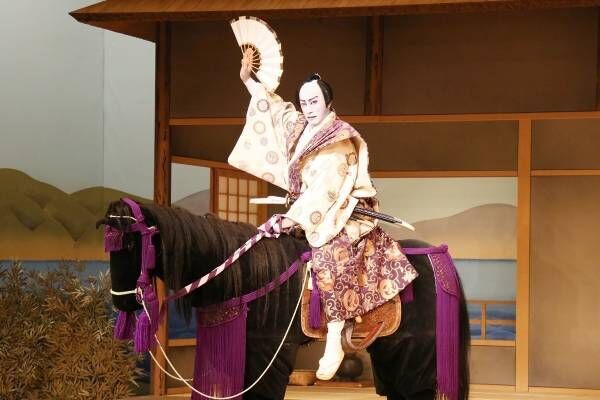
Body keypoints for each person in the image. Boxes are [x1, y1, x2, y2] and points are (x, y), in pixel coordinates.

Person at [229, 48, 418, 380]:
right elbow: (275, 109)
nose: (308, 107)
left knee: (331, 253)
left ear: (328, 102)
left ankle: (335, 333)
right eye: (304, 102)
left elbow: (326, 188)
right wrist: (248, 80)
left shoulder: (339, 138)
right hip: (309, 210)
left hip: (341, 208)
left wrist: (292, 218)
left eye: (314, 101)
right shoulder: (301, 127)